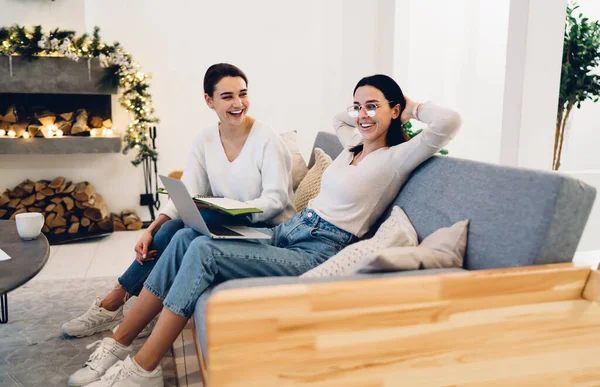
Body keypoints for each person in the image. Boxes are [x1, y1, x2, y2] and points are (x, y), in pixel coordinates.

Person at [69, 74, 461, 387]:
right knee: (188, 236)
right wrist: (370, 110)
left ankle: (143, 367)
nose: (361, 115)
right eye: (358, 106)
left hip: (319, 250)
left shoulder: (397, 157)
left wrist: (408, 105)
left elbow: (449, 122)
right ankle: (118, 343)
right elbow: (340, 120)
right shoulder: (354, 146)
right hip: (290, 232)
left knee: (205, 251)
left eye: (373, 107)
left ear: (396, 110)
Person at [61, 63, 295, 347]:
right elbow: (188, 193)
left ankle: (116, 302)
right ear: (209, 101)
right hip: (226, 223)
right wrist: (151, 228)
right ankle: (120, 302)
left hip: (266, 230)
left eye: (242, 94)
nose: (238, 103)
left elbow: (276, 200)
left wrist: (232, 211)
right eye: (227, 96)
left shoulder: (266, 139)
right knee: (172, 227)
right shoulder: (205, 139)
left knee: (183, 231)